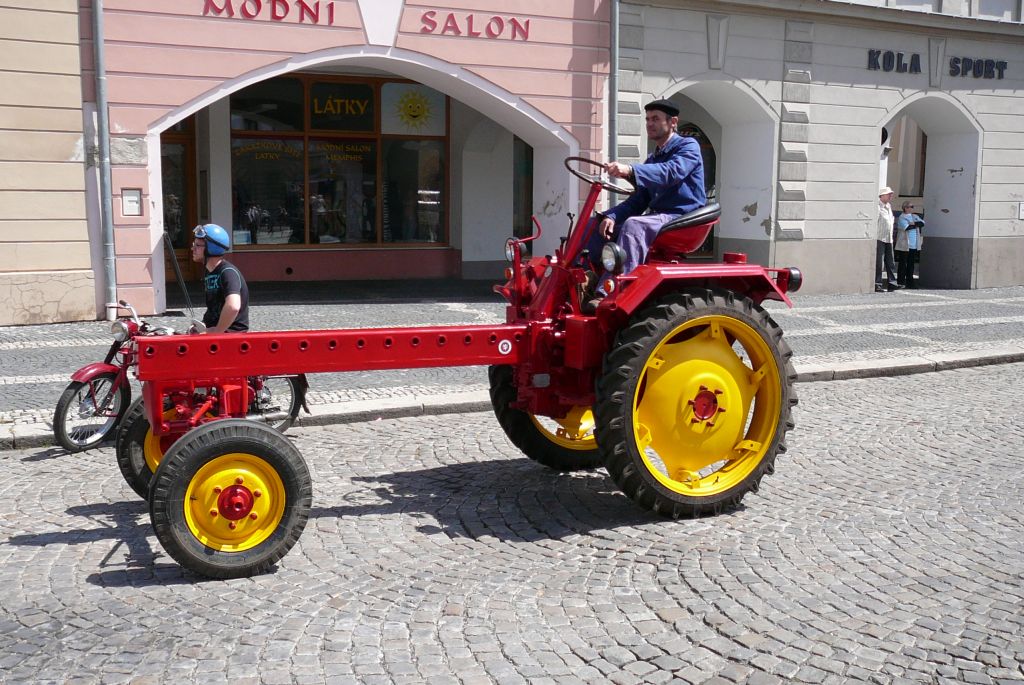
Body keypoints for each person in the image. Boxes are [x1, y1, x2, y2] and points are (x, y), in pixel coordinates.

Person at [583, 98, 706, 309]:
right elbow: (638, 200)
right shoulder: (653, 159)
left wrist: (631, 170)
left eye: (655, 119)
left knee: (634, 225)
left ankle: (611, 291)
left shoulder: (688, 146)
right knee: (594, 223)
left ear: (673, 122)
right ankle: (583, 278)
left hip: (683, 216)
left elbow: (671, 172)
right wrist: (611, 216)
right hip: (659, 217)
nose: (649, 124)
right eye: (647, 119)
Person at [191, 223, 250, 333]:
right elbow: (213, 309)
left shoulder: (227, 272)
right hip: (216, 333)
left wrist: (217, 332)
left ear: (212, 248)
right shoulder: (209, 272)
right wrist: (201, 327)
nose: (192, 248)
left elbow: (233, 306)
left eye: (197, 245)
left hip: (231, 336)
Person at [895, 200, 925, 288]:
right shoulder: (902, 217)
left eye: (912, 207)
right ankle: (901, 282)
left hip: (914, 245)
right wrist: (915, 225)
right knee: (902, 264)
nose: (911, 208)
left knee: (911, 264)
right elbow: (907, 227)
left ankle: (910, 282)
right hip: (904, 245)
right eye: (910, 207)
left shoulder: (914, 216)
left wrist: (914, 223)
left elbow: (922, 223)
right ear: (905, 208)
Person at [876, 186, 899, 292]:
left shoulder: (889, 206)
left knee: (890, 262)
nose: (891, 196)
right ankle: (878, 283)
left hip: (889, 238)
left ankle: (892, 283)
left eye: (891, 194)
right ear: (882, 195)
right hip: (880, 237)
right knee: (879, 262)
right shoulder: (877, 207)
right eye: (889, 194)